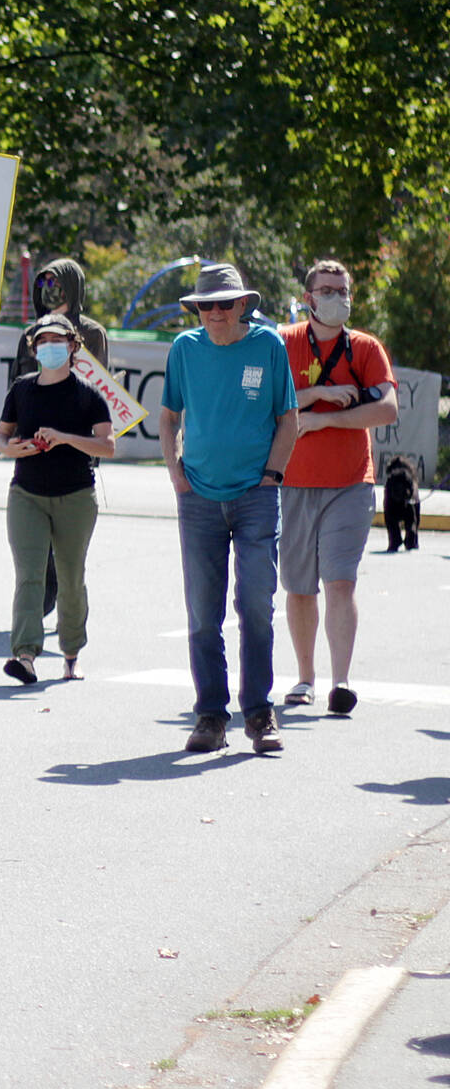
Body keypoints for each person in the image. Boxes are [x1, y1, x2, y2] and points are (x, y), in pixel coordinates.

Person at [159, 263, 299, 754]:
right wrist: (176, 474)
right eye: (205, 305)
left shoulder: (268, 345)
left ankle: (259, 713)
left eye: (224, 303)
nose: (214, 313)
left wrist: (271, 477)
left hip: (256, 496)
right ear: (195, 309)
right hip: (198, 496)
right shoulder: (184, 349)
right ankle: (210, 716)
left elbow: (288, 419)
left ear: (243, 304)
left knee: (257, 605)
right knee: (203, 613)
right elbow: (168, 416)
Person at [279, 258, 399, 717]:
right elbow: (265, 400)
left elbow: (386, 410)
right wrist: (310, 398)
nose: (337, 298)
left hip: (351, 483)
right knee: (299, 587)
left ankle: (341, 681)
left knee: (340, 583)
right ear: (308, 299)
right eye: (327, 290)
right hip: (291, 483)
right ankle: (305, 677)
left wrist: (325, 420)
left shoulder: (366, 349)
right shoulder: (283, 343)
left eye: (343, 290)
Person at [0, 313, 116, 684]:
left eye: (57, 341)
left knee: (70, 576)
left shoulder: (88, 394)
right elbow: (1, 438)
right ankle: (26, 654)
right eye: (43, 342)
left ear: (73, 346)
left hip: (76, 496)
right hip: (26, 494)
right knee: (28, 575)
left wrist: (64, 437)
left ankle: (71, 652)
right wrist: (12, 448)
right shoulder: (22, 389)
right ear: (34, 349)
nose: (50, 347)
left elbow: (108, 446)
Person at [10, 258, 111, 618]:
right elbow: (16, 385)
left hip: (74, 448)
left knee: (67, 547)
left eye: (58, 285)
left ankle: (67, 614)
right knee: (34, 541)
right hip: (33, 447)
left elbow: (99, 390)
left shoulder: (92, 334)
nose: (51, 293)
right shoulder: (30, 333)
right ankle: (40, 601)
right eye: (45, 285)